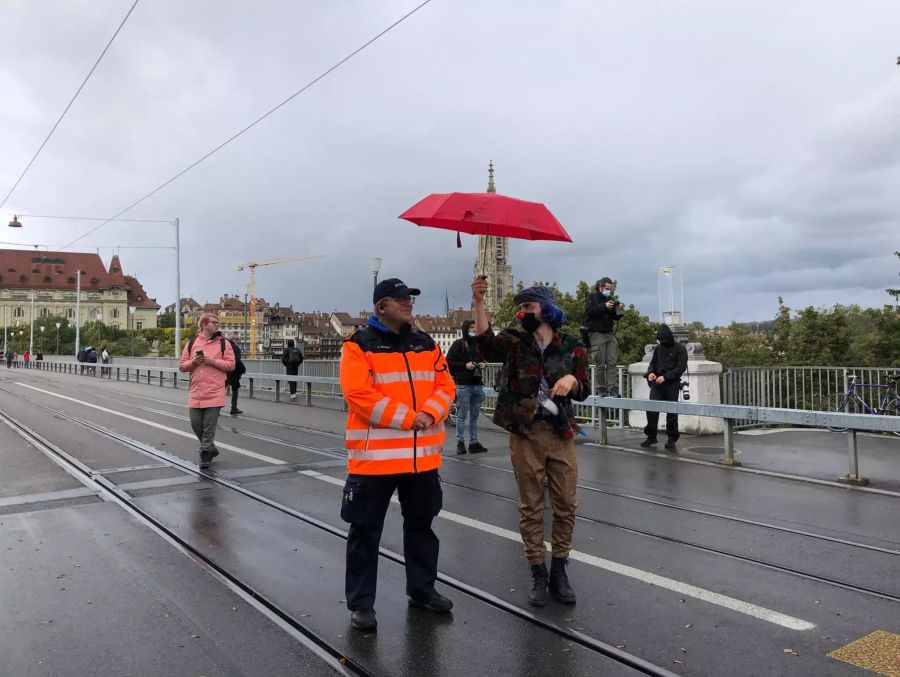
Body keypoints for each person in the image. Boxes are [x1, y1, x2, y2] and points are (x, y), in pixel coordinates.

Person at [339, 277, 456, 631]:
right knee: (365, 530)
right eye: (401, 299)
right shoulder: (358, 345)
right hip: (376, 459)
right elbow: (358, 395)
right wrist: (410, 418)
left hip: (422, 457)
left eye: (411, 299)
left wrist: (431, 414)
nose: (409, 304)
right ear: (381, 307)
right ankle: (361, 603)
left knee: (422, 526)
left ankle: (422, 589)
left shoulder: (425, 342)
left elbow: (445, 385)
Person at [472, 276, 590, 607]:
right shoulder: (513, 340)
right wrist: (479, 301)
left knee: (566, 504)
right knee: (532, 506)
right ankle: (537, 570)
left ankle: (560, 569)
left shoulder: (570, 345)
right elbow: (484, 342)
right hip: (525, 432)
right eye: (520, 307)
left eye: (529, 306)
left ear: (546, 309)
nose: (523, 312)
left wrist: (571, 380)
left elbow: (585, 385)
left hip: (560, 432)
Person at [178, 314, 235, 469]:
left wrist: (212, 361)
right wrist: (193, 363)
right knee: (196, 423)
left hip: (215, 390)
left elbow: (231, 365)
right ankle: (210, 448)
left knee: (209, 425)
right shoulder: (191, 343)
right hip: (196, 390)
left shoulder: (224, 343)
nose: (217, 325)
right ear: (204, 325)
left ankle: (205, 453)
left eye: (218, 323)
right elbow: (182, 366)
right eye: (214, 322)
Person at [641, 324, 688, 451]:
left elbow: (681, 367)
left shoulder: (680, 349)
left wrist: (666, 377)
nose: (661, 343)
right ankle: (651, 436)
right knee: (652, 409)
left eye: (663, 340)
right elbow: (652, 363)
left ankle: (672, 438)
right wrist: (650, 373)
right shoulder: (658, 348)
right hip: (657, 383)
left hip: (672, 383)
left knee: (671, 412)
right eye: (659, 341)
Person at [445, 319, 488, 454]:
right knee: (462, 415)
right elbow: (449, 362)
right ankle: (460, 442)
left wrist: (483, 364)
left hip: (477, 384)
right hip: (464, 384)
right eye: (471, 327)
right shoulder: (458, 344)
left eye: (475, 327)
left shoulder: (477, 345)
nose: (474, 330)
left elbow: (482, 359)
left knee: (475, 416)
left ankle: (473, 443)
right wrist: (465, 365)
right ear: (465, 329)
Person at [584, 277, 624, 396]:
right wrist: (604, 306)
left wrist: (618, 309)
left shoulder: (609, 299)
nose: (608, 291)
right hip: (596, 333)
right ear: (600, 287)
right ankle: (601, 389)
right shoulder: (592, 297)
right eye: (607, 289)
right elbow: (588, 312)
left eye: (610, 289)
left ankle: (613, 389)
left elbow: (616, 317)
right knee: (600, 363)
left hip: (609, 334)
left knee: (612, 362)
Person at [225, 334, 245, 415]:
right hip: (233, 372)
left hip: (223, 370)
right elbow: (237, 360)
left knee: (221, 390)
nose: (237, 341)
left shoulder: (223, 346)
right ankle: (233, 408)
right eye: (236, 340)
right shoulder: (235, 348)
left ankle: (216, 409)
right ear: (233, 340)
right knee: (235, 390)